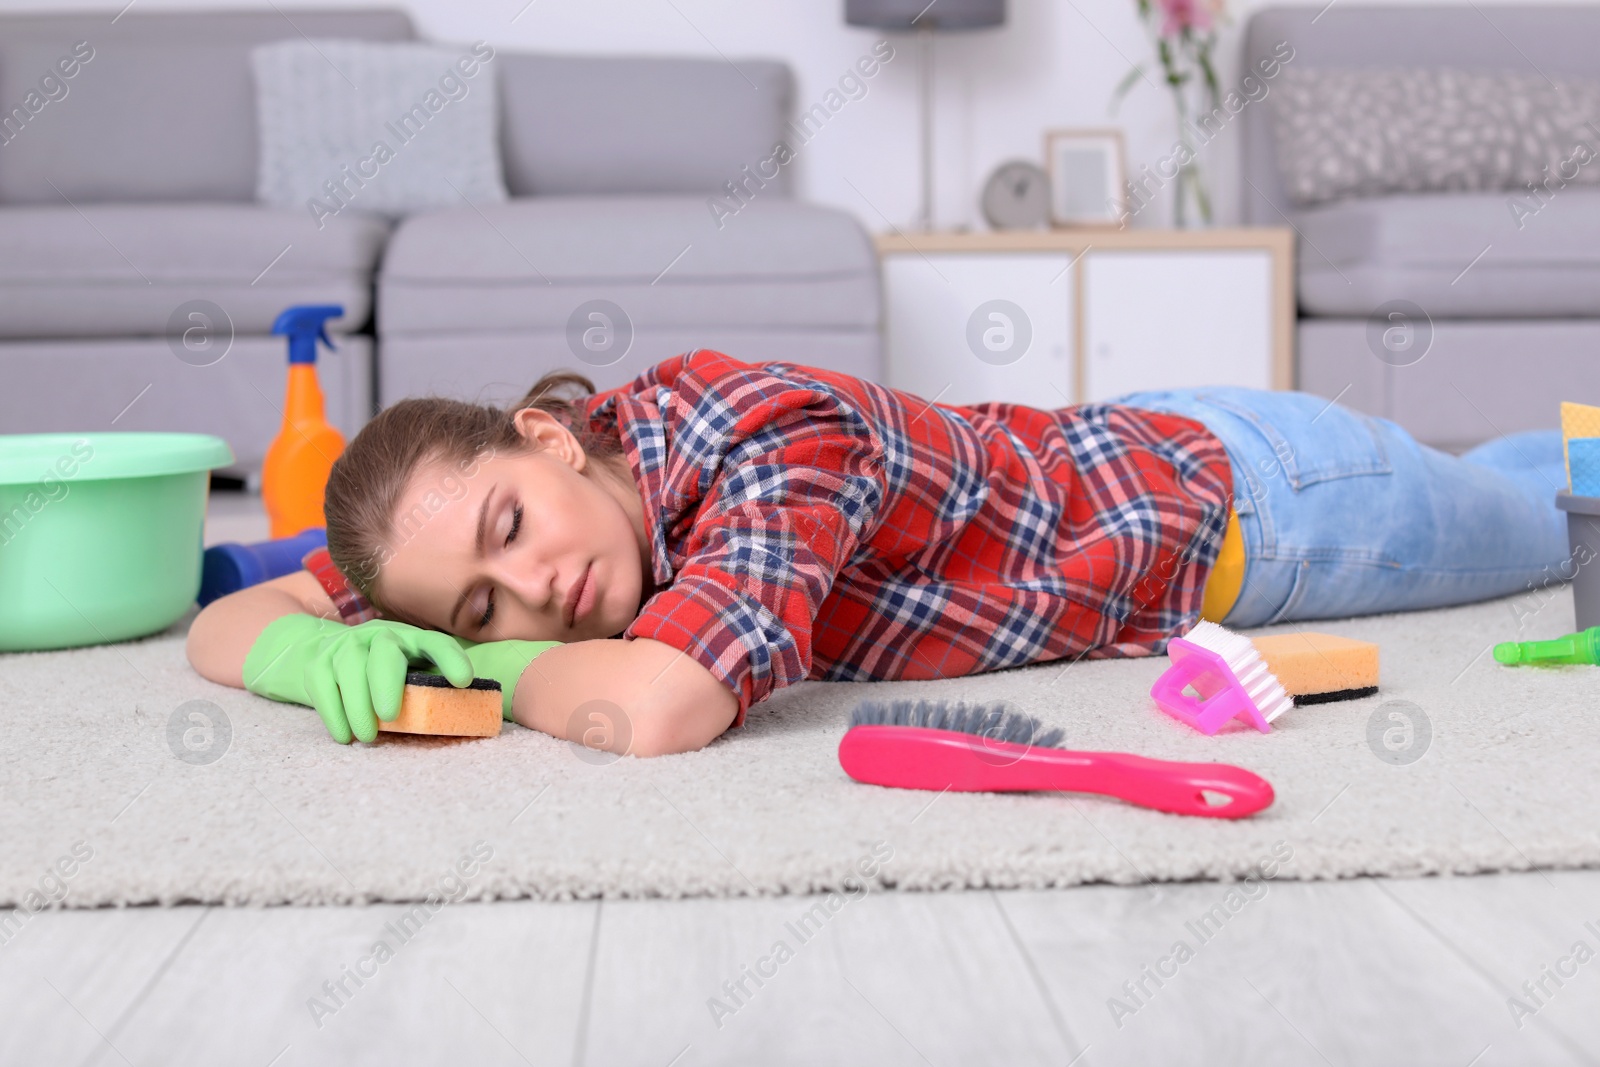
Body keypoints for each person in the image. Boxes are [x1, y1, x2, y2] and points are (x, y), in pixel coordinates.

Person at [186, 349, 1569, 755]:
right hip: (1149, 442)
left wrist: (470, 676)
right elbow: (223, 622)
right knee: (1526, 466)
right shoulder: (549, 518)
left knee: (1548, 512)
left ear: (548, 438)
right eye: (476, 607)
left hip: (1276, 518)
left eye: (510, 531)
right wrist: (320, 647)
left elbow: (658, 710)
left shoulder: (757, 437)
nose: (532, 591)